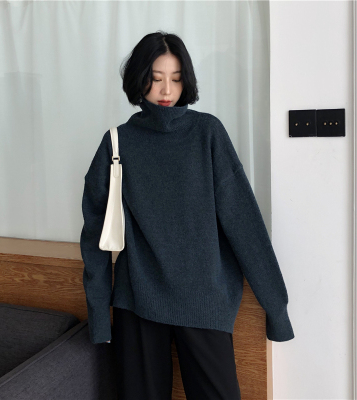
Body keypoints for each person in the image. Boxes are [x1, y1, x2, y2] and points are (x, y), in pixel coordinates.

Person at [80, 30, 295, 400]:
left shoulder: (207, 133)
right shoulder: (117, 143)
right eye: (156, 78)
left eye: (176, 79)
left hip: (204, 302)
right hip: (138, 302)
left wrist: (276, 308)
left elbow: (244, 223)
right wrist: (100, 317)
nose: (167, 90)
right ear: (139, 80)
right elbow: (95, 237)